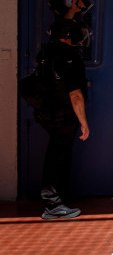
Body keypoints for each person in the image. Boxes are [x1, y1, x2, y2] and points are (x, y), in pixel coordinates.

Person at [34, 17, 91, 219]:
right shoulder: (69, 57)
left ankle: (60, 197)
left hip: (47, 113)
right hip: (63, 115)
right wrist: (84, 123)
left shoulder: (45, 52)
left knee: (58, 155)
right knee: (57, 157)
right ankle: (53, 204)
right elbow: (75, 94)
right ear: (68, 36)